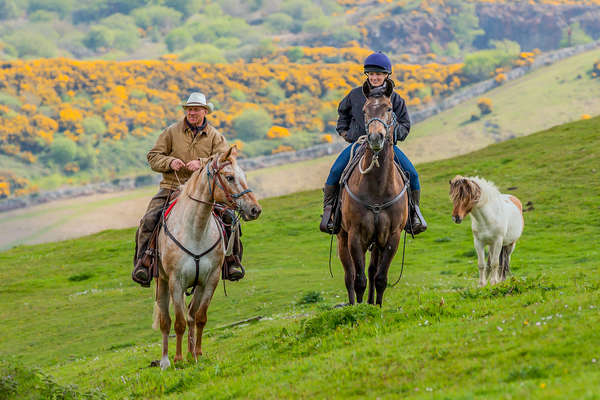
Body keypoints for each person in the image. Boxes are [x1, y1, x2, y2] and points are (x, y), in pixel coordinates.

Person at [132, 92, 245, 287]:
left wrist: (201, 163)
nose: (192, 113)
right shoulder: (171, 132)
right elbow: (153, 156)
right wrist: (169, 161)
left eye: (196, 109)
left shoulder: (215, 136)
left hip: (205, 191)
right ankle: (144, 263)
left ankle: (231, 261)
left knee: (230, 219)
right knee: (149, 219)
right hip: (172, 187)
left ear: (204, 111)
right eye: (189, 109)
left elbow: (225, 159)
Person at [320, 51, 427, 235]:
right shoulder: (354, 95)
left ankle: (413, 216)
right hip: (359, 145)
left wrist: (392, 135)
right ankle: (329, 213)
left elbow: (405, 125)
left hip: (387, 147)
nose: (375, 77)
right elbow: (342, 114)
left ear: (387, 75)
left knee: (413, 175)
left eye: (379, 74)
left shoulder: (396, 99)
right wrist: (346, 132)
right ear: (367, 75)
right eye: (371, 74)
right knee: (335, 171)